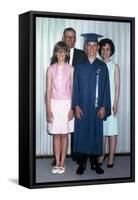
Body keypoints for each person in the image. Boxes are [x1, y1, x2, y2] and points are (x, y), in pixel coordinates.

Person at [72, 33, 111, 175]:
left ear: (98, 47)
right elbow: (75, 87)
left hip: (96, 109)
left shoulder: (102, 66)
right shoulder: (80, 66)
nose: (92, 48)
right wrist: (75, 106)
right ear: (85, 47)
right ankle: (81, 164)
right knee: (82, 135)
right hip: (82, 107)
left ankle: (95, 164)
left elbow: (107, 88)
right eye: (89, 45)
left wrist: (104, 107)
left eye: (95, 46)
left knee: (95, 135)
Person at [51, 28, 87, 165]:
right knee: (59, 128)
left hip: (77, 95)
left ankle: (76, 154)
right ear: (63, 38)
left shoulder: (82, 54)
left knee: (74, 127)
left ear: (75, 39)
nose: (70, 39)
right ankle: (59, 157)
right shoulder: (57, 56)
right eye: (67, 37)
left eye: (72, 37)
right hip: (60, 99)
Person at [46, 41, 74, 174]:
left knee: (65, 134)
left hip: (67, 104)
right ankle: (56, 162)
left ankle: (63, 162)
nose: (61, 53)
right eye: (59, 51)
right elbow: (48, 90)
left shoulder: (71, 68)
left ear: (67, 53)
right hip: (54, 104)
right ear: (55, 53)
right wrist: (48, 109)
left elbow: (74, 90)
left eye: (63, 51)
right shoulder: (50, 69)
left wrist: (72, 108)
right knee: (56, 134)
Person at [98, 38, 120, 167]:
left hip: (111, 103)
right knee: (102, 132)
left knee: (111, 131)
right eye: (103, 49)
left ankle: (111, 157)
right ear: (100, 50)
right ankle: (101, 155)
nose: (105, 52)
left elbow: (117, 87)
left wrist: (115, 104)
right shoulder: (98, 66)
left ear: (111, 51)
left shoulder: (114, 67)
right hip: (101, 104)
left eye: (108, 49)